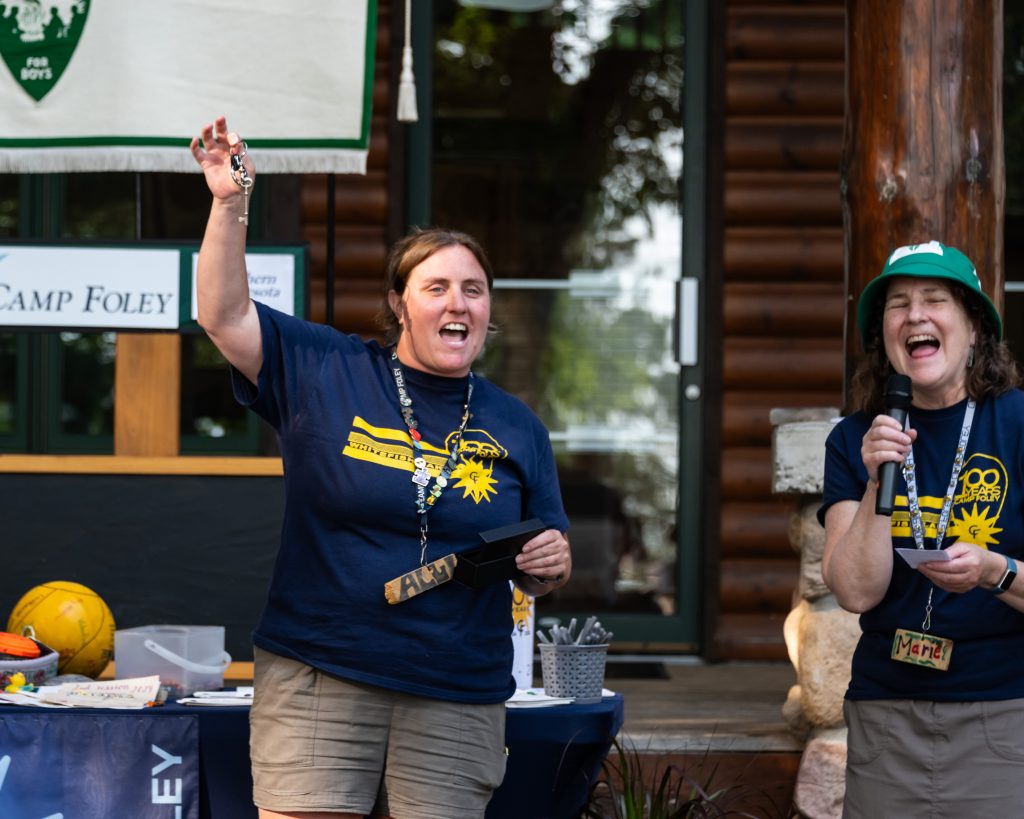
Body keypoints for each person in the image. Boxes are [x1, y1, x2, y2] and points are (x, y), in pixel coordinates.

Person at [189, 116, 572, 819]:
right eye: (436, 287)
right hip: (320, 674)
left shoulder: (518, 425)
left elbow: (544, 557)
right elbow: (222, 313)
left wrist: (550, 559)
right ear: (399, 305)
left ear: (489, 313)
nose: (457, 302)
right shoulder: (325, 369)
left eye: (474, 290)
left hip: (456, 692)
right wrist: (227, 201)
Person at [819, 240, 1024, 816]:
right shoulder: (853, 439)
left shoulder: (1017, 425)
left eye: (935, 299)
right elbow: (856, 591)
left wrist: (995, 571)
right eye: (897, 304)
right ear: (884, 337)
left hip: (1003, 714)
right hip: (887, 717)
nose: (914, 315)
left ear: (976, 328)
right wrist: (874, 481)